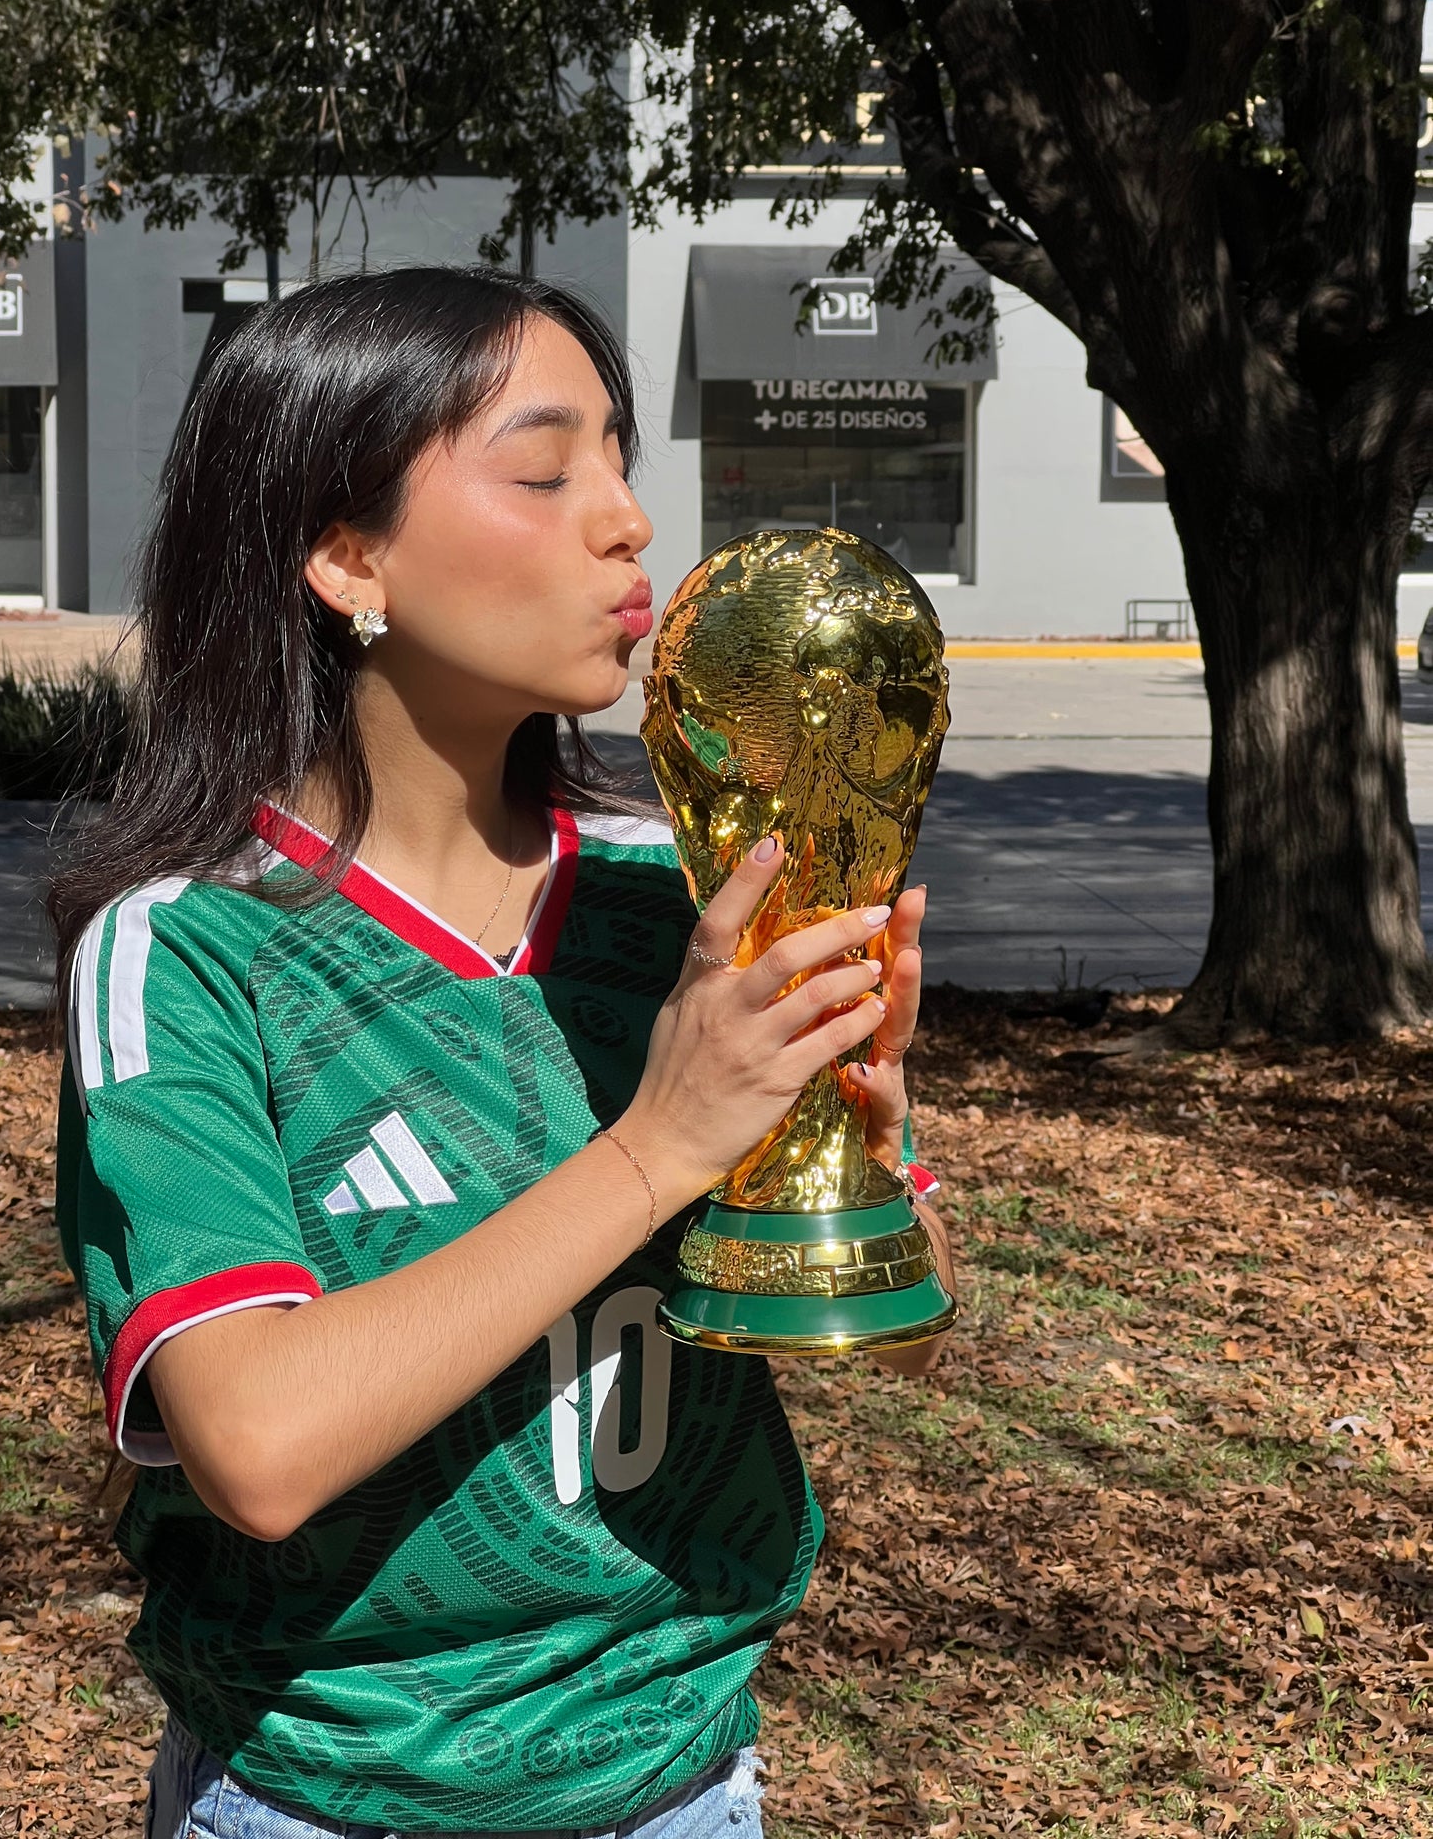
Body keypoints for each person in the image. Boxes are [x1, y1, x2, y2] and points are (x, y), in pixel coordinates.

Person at [52, 267, 955, 1839]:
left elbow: (902, 1325)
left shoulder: (679, 903)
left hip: (686, 1781)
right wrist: (660, 1145)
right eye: (544, 473)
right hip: (333, 1800)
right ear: (346, 555)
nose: (628, 525)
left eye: (620, 461)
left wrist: (850, 1154)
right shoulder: (187, 955)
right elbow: (257, 1447)